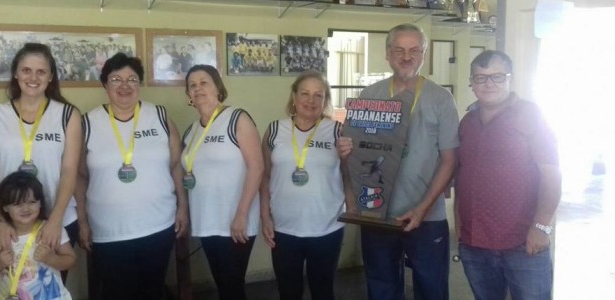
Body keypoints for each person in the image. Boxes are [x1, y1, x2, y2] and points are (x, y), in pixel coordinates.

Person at [338, 23, 459, 299]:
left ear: (424, 54)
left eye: (414, 50)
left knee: (432, 289)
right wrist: (346, 152)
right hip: (378, 215)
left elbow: (450, 160)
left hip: (427, 217)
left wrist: (422, 209)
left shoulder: (441, 99)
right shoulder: (369, 96)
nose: (407, 57)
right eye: (399, 50)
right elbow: (357, 157)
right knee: (381, 288)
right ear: (388, 54)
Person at [76, 52, 189, 299]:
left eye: (132, 79)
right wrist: (82, 221)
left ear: (140, 84)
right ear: (104, 84)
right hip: (108, 230)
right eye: (116, 79)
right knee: (118, 292)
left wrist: (182, 207)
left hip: (158, 225)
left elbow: (175, 165)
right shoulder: (88, 123)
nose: (125, 86)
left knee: (153, 291)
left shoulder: (159, 116)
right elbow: (80, 176)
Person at [454, 50, 561, 300]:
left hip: (523, 244)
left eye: (497, 77)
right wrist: (458, 220)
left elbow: (552, 174)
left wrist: (542, 226)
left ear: (510, 79)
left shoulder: (531, 116)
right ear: (471, 82)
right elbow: (463, 174)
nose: (489, 84)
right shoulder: (467, 122)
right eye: (480, 78)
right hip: (474, 243)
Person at [0, 42, 82, 281]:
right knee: (15, 287)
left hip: (57, 219)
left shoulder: (67, 114)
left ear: (51, 76)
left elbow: (69, 170)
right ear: (16, 73)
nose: (33, 77)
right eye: (26, 70)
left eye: (41, 71)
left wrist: (55, 220)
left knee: (50, 287)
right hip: (8, 220)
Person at [260, 70, 354, 300]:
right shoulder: (274, 130)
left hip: (326, 227)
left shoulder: (337, 131)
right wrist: (265, 217)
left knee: (323, 291)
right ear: (294, 97)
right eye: (305, 93)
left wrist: (353, 209)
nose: (310, 101)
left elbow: (347, 174)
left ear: (325, 101)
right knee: (288, 291)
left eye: (318, 95)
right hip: (284, 228)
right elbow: (265, 177)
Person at [182, 64, 263, 300]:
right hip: (207, 221)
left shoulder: (237, 118)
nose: (198, 89)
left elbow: (257, 167)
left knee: (231, 286)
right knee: (223, 284)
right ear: (188, 95)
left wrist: (241, 214)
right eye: (192, 85)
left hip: (235, 222)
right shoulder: (192, 130)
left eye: (204, 82)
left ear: (218, 87)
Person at [0, 171, 76, 300]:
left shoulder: (50, 231)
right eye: (17, 204)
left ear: (40, 203)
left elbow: (70, 260)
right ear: (5, 207)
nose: (25, 208)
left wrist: (51, 259)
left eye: (31, 202)